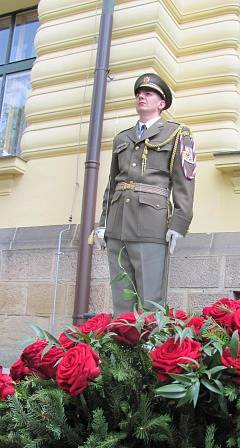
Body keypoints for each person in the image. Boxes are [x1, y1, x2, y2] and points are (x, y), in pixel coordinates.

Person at [96, 73, 196, 315]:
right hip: (118, 223)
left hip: (151, 224)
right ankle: (123, 350)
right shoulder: (123, 137)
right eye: (139, 93)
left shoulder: (177, 133)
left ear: (161, 103)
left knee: (151, 299)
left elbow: (185, 181)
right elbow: (112, 183)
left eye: (148, 93)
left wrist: (179, 223)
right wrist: (103, 223)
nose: (142, 96)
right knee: (121, 298)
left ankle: (152, 350)